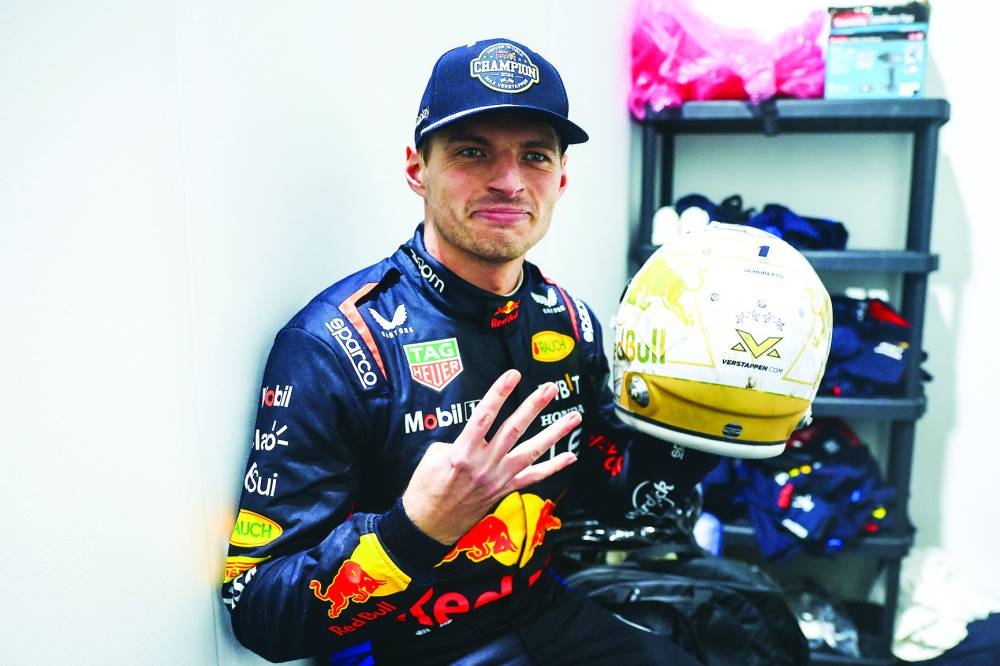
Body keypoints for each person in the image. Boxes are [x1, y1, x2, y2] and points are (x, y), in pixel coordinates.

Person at [222, 37, 720, 665]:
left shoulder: (570, 320)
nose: (508, 182)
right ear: (416, 170)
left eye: (534, 156)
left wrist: (706, 422)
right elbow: (258, 612)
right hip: (393, 648)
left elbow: (606, 491)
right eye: (471, 152)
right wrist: (416, 528)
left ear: (561, 179)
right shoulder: (335, 345)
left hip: (539, 611)